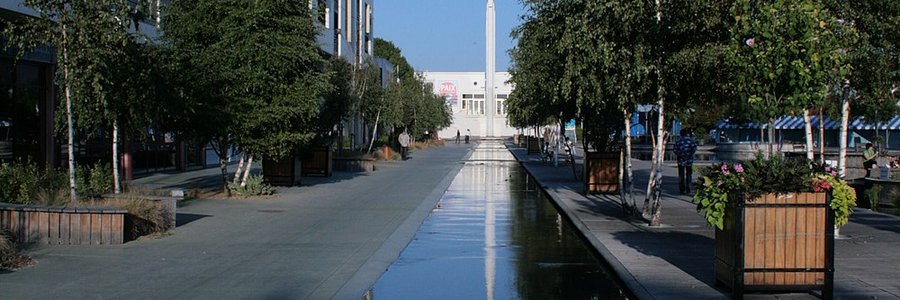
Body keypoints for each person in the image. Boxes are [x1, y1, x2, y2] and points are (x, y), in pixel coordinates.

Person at [673, 129, 698, 194]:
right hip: (689, 161)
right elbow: (694, 149)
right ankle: (688, 188)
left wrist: (681, 156)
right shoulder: (691, 141)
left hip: (681, 160)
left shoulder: (678, 141)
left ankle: (682, 189)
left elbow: (675, 150)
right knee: (689, 174)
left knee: (681, 174)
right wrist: (688, 156)